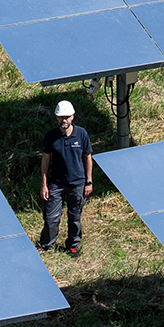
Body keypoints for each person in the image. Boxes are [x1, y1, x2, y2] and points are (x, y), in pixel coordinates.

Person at [38, 100, 93, 257]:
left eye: (67, 117)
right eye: (61, 117)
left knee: (75, 217)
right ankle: (46, 244)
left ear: (72, 116)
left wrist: (89, 181)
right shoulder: (51, 136)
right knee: (51, 218)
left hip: (78, 183)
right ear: (56, 117)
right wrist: (44, 184)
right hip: (56, 183)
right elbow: (46, 160)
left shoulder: (81, 134)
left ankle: (73, 245)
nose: (64, 120)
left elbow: (87, 157)